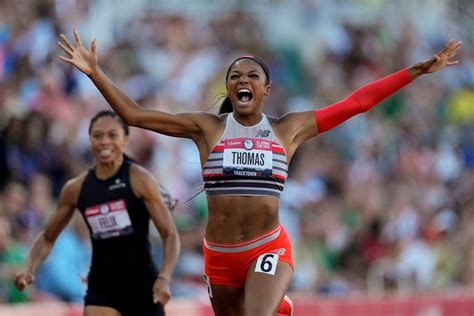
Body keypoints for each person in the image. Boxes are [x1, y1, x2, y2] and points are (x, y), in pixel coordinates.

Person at [57, 29, 461, 316]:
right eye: (235, 76)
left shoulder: (289, 128)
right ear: (229, 89)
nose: (243, 80)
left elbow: (357, 102)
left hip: (268, 247)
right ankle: (281, 306)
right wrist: (94, 72)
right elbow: (134, 115)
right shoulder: (207, 128)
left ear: (266, 89)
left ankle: (274, 303)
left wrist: (416, 71)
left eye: (253, 76)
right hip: (220, 258)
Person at [15, 110, 181, 316]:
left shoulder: (140, 179)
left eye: (113, 135)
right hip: (101, 287)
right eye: (97, 136)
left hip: (141, 284)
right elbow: (48, 237)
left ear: (125, 140)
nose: (104, 142)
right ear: (90, 140)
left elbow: (169, 234)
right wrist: (29, 267)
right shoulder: (76, 188)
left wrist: (164, 277)